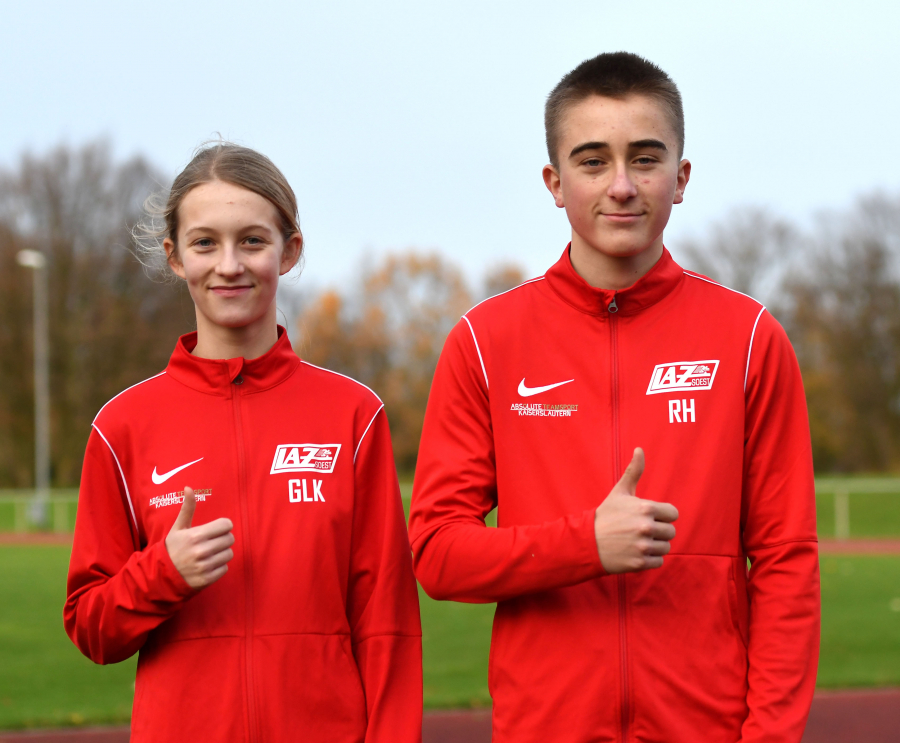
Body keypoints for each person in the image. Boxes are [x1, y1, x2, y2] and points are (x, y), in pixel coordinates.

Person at [408, 52, 819, 743]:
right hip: (546, 726)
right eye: (593, 161)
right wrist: (584, 545)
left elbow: (785, 561)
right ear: (555, 181)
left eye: (646, 158)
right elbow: (438, 554)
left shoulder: (749, 337)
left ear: (681, 178)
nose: (622, 185)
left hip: (705, 726)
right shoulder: (485, 340)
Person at [64, 143, 422, 743]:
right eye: (205, 243)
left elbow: (385, 621)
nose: (228, 264)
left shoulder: (353, 414)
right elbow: (92, 630)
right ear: (176, 258)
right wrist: (161, 575)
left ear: (290, 251)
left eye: (252, 241)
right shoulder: (122, 425)